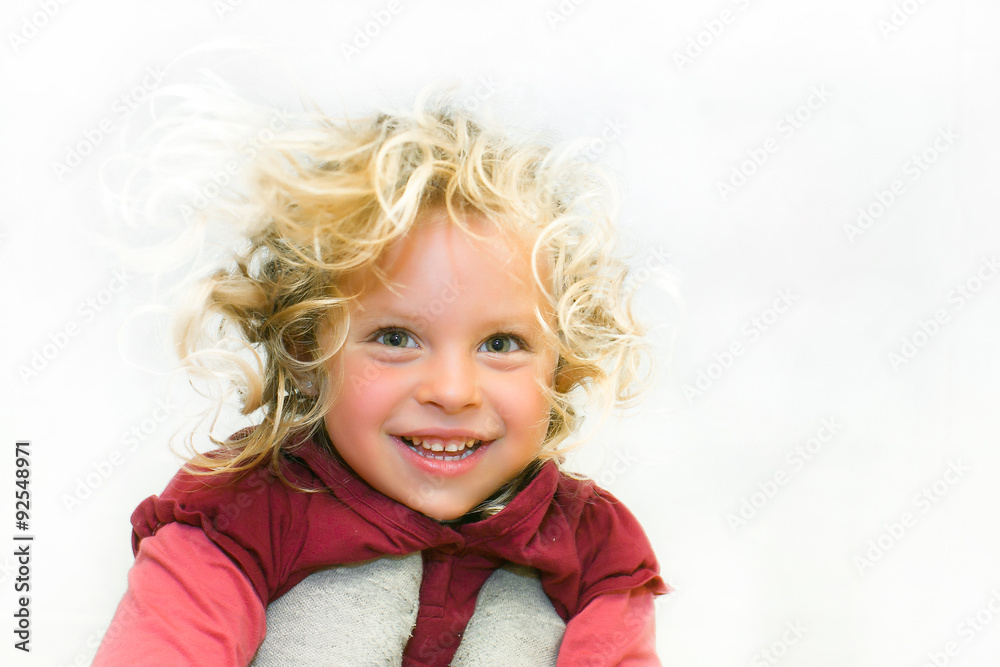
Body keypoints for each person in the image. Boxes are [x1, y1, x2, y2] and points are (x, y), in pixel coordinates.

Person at [94, 90, 669, 665]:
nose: (451, 391)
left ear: (560, 367)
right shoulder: (242, 517)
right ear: (307, 354)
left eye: (501, 344)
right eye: (396, 339)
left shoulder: (594, 550)